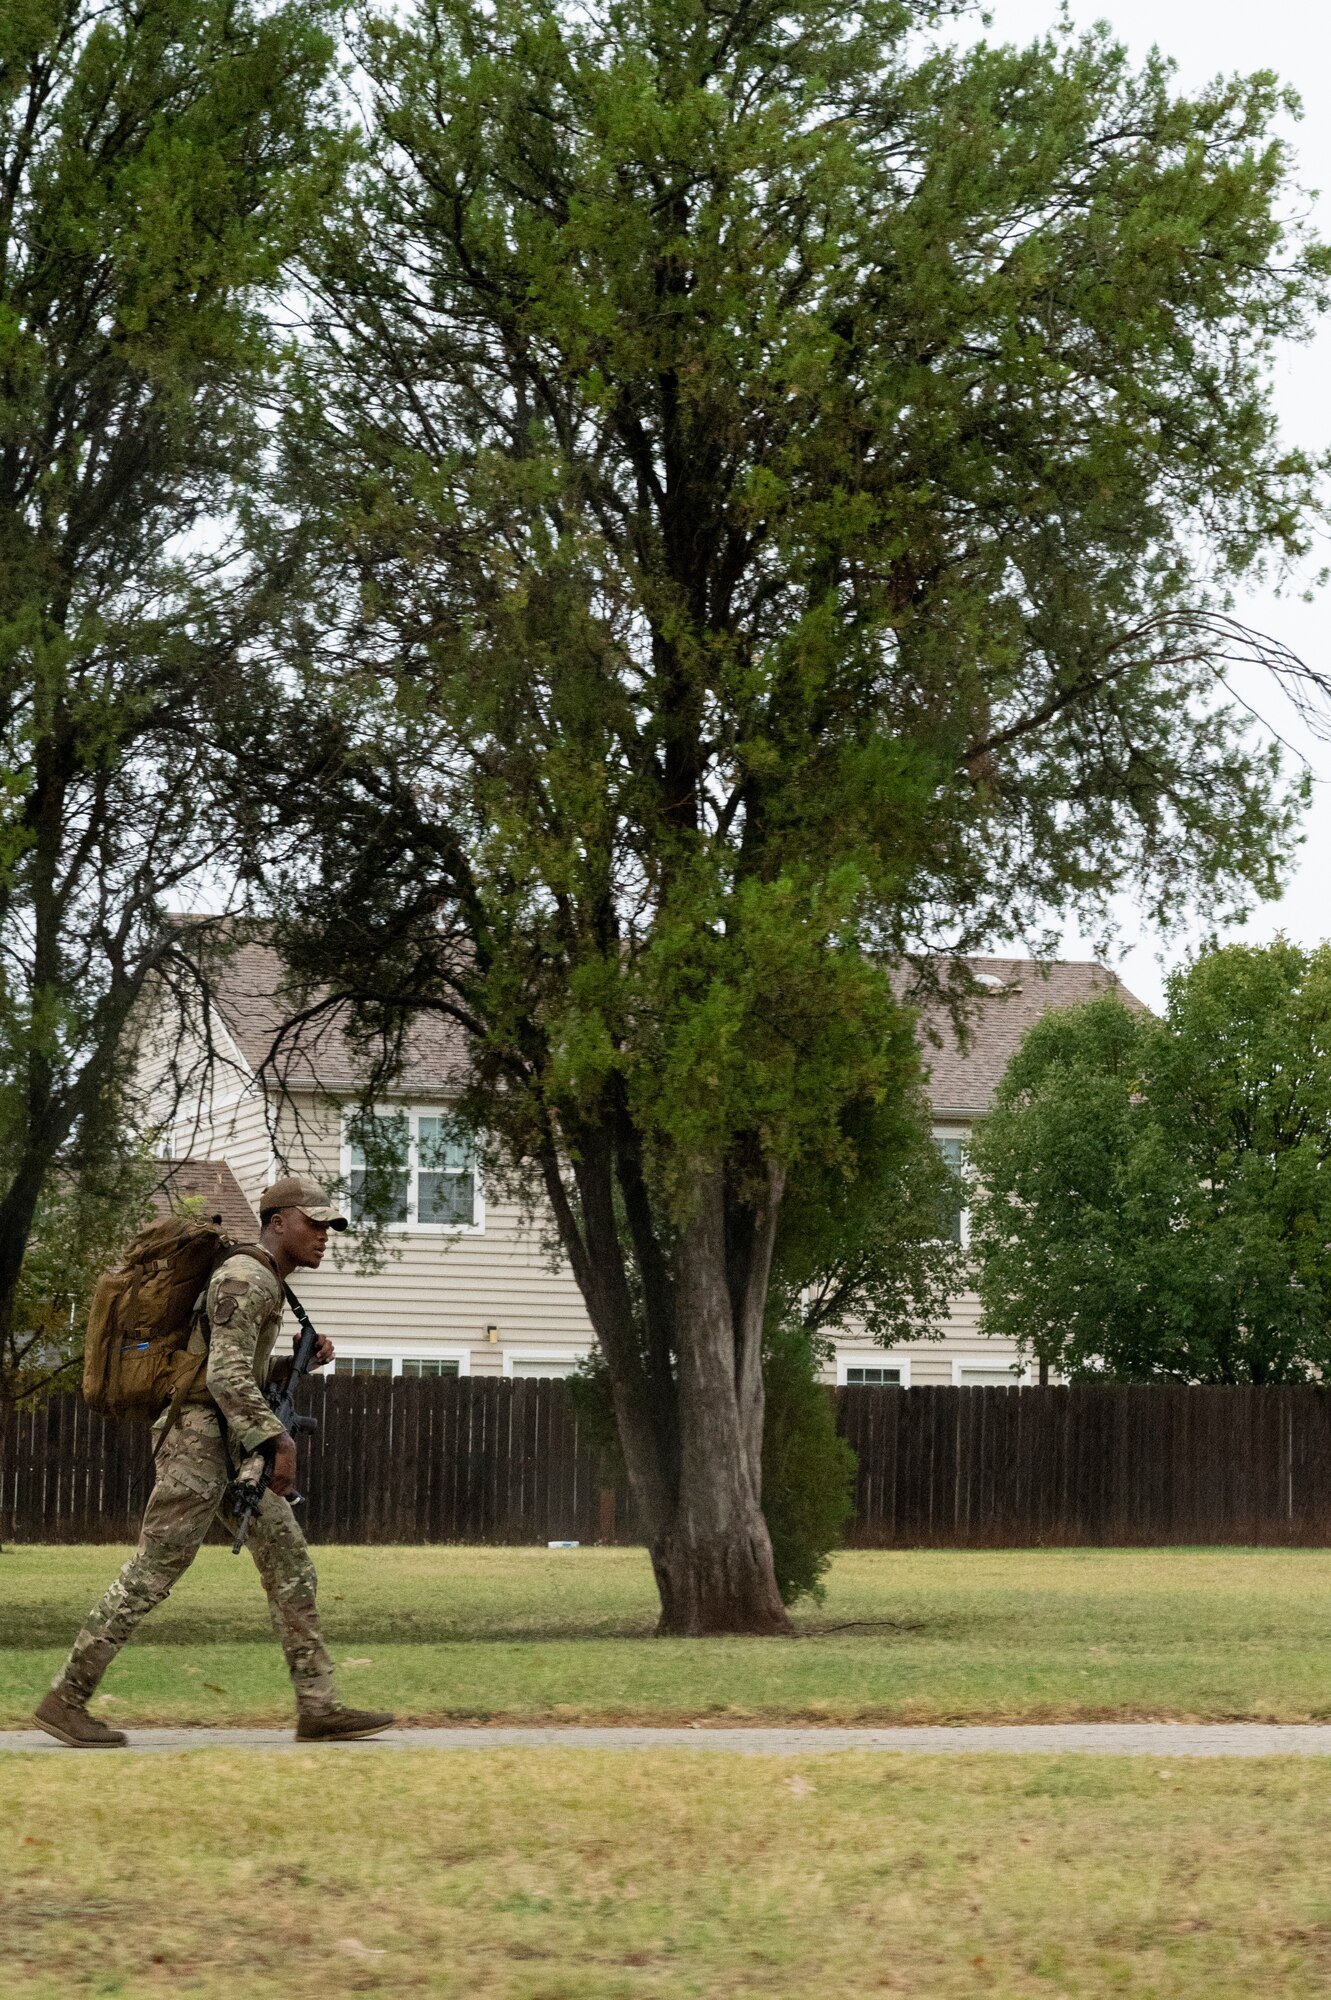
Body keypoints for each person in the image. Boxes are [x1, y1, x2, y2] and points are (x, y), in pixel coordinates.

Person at [34, 1175, 394, 1748]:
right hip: (199, 1440)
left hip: (227, 1439)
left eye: (329, 1226)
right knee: (154, 1570)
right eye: (314, 1223)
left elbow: (227, 1368)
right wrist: (281, 1441)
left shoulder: (266, 1281)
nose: (325, 1235)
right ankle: (66, 1699)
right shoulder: (246, 1278)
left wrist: (286, 1368)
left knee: (290, 1564)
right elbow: (223, 1379)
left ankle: (319, 1707)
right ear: (278, 1222)